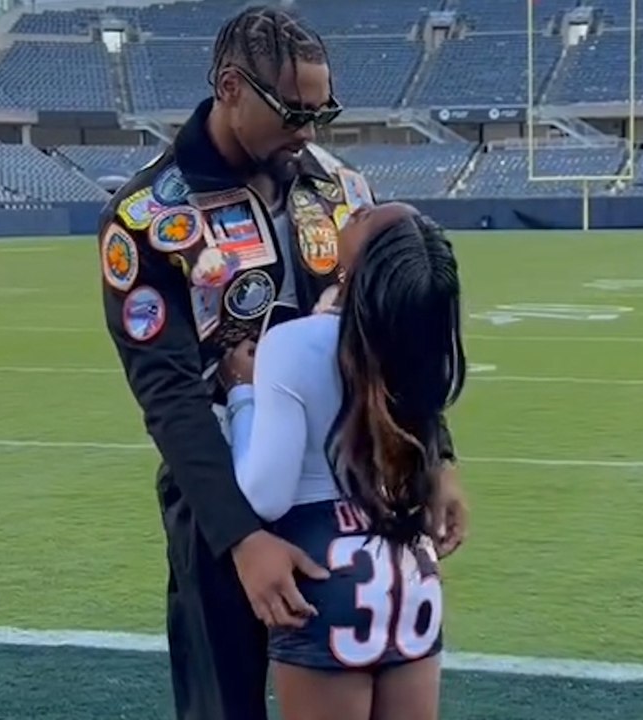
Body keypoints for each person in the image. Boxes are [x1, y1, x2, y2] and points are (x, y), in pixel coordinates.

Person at [96, 6, 469, 720]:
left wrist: (436, 456)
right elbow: (168, 395)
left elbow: (395, 333)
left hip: (353, 477)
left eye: (321, 110)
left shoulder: (337, 186)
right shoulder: (148, 217)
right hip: (225, 495)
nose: (308, 131)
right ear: (230, 87)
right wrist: (241, 538)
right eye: (293, 112)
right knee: (225, 703)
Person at [218, 202, 465, 720]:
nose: (355, 210)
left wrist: (243, 396)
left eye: (364, 219)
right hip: (409, 573)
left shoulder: (293, 344)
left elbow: (265, 494)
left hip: (328, 573)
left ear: (363, 268)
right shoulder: (423, 345)